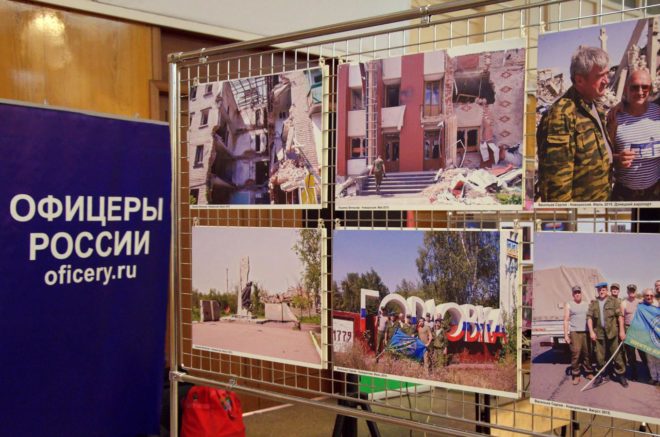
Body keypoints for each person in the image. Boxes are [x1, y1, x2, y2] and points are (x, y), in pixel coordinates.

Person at [537, 46, 613, 202]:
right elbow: (556, 189)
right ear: (579, 80)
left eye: (607, 74)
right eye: (600, 76)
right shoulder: (561, 115)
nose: (607, 81)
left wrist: (614, 158)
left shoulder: (594, 105)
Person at [606, 69, 660, 201]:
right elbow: (605, 155)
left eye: (645, 87)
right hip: (624, 194)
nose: (640, 92)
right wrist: (618, 159)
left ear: (650, 89)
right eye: (634, 87)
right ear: (626, 89)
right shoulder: (615, 118)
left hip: (654, 193)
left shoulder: (658, 114)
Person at [587, 282, 627, 387]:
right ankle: (600, 375)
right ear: (597, 291)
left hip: (612, 333)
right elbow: (589, 318)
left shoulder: (613, 301)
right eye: (599, 290)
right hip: (599, 334)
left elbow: (620, 316)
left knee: (617, 355)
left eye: (603, 289)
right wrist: (591, 332)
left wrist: (622, 331)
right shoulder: (594, 303)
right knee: (599, 357)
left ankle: (621, 375)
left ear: (606, 290)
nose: (601, 291)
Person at [564, 285, 593, 384]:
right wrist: (566, 335)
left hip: (586, 332)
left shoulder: (587, 304)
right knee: (575, 353)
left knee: (587, 353)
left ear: (581, 293)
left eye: (578, 292)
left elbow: (590, 318)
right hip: (575, 332)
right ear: (573, 294)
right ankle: (576, 374)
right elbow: (566, 320)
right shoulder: (569, 304)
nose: (577, 294)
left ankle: (588, 372)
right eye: (575, 293)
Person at [620, 284, 647, 381]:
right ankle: (634, 373)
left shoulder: (640, 302)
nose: (631, 292)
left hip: (639, 329)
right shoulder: (624, 303)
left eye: (633, 290)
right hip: (629, 328)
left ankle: (648, 372)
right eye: (630, 290)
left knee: (643, 352)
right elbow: (621, 318)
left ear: (636, 292)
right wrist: (622, 331)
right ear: (627, 292)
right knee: (631, 354)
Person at [640, 288, 660, 385]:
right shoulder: (641, 307)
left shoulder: (657, 305)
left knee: (658, 358)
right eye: (647, 295)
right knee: (650, 359)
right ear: (644, 296)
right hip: (646, 335)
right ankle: (653, 377)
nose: (649, 297)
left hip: (657, 335)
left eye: (651, 295)